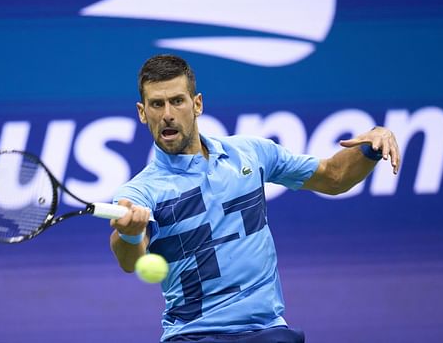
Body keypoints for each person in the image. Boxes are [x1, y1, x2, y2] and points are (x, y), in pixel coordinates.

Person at [109, 54, 400, 342]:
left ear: (197, 104)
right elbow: (128, 259)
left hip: (267, 331)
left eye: (177, 101)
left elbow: (334, 177)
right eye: (157, 104)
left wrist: (373, 144)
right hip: (191, 335)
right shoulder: (140, 191)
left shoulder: (251, 153)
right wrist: (131, 235)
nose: (168, 114)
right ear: (142, 112)